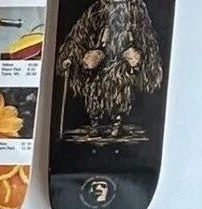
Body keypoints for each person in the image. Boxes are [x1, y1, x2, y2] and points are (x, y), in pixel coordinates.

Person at [56, 0, 163, 138]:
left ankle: (116, 124)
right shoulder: (97, 9)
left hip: (122, 63)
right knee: (94, 85)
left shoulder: (136, 9)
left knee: (120, 85)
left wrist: (138, 54)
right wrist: (70, 56)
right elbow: (80, 34)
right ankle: (94, 123)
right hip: (98, 62)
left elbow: (146, 37)